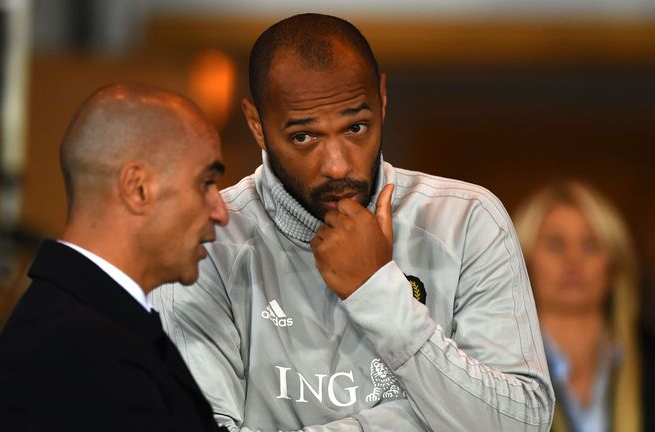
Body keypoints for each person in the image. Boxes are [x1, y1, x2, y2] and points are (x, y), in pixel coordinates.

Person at [152, 13, 554, 431]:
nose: (338, 166)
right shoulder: (207, 240)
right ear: (257, 124)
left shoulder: (467, 219)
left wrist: (376, 291)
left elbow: (522, 423)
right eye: (304, 137)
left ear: (382, 97)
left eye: (356, 127)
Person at [0, 83, 229, 431]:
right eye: (206, 183)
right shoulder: (79, 347)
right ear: (137, 188)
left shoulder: (97, 326)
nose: (221, 212)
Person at [513, 181, 642, 432]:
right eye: (555, 244)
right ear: (524, 261)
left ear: (614, 266)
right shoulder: (490, 369)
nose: (573, 260)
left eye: (590, 245)